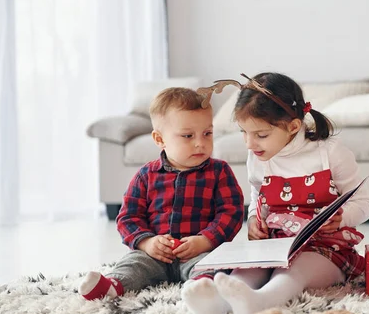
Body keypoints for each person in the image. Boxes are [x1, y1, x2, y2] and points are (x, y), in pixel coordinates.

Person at [182, 73, 369, 314]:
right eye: (244, 133)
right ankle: (218, 305)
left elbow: (365, 203)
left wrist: (343, 217)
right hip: (275, 244)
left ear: (293, 126)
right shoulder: (259, 156)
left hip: (325, 249)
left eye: (260, 135)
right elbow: (257, 194)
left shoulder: (330, 153)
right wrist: (253, 220)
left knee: (293, 272)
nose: (250, 144)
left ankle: (261, 301)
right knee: (247, 271)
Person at [78, 87, 244, 301]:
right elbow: (128, 217)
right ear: (159, 139)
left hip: (198, 252)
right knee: (134, 264)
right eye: (187, 135)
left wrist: (205, 240)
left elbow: (231, 213)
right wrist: (147, 242)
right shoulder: (146, 175)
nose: (200, 143)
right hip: (154, 255)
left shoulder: (219, 171)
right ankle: (112, 286)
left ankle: (202, 288)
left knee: (213, 266)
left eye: (207, 133)